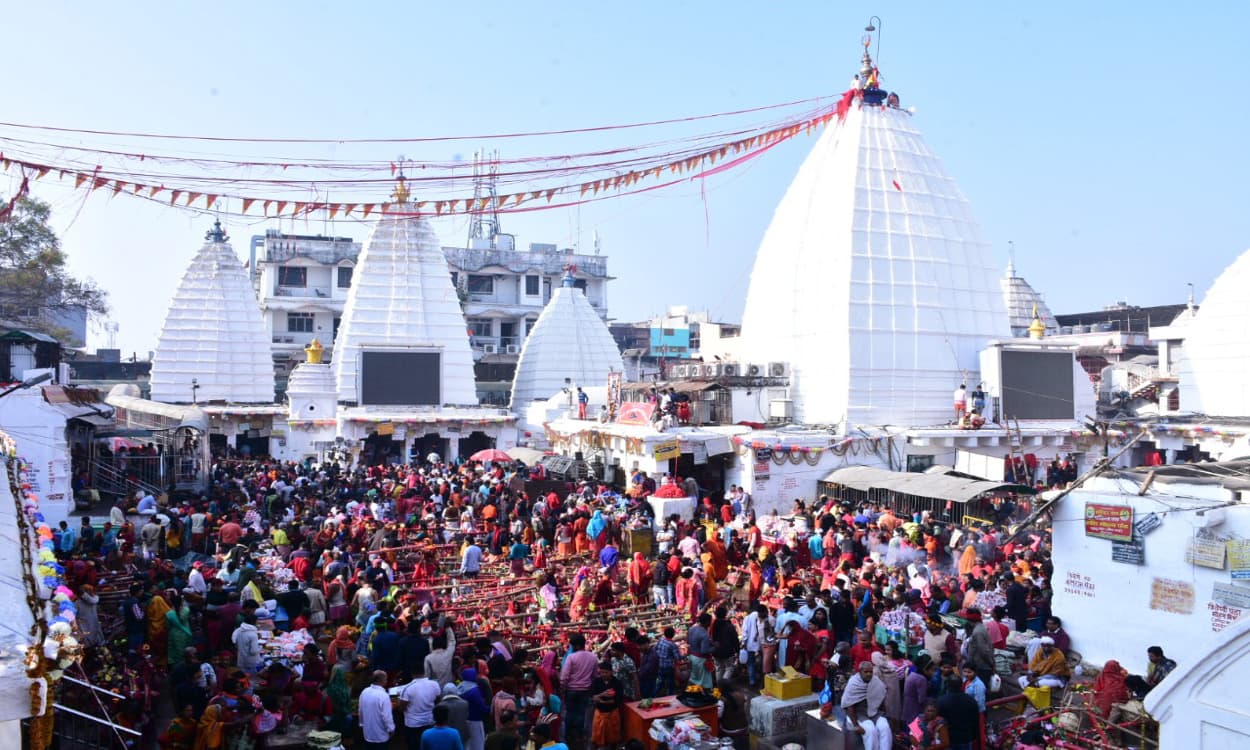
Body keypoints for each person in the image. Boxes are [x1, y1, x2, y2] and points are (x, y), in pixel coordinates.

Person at [560, 633, 598, 749]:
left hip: (571, 690)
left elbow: (564, 677)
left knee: (570, 713)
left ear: (575, 646)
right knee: (581, 714)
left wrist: (563, 688)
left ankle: (569, 736)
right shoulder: (592, 657)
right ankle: (579, 735)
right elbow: (595, 675)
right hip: (585, 690)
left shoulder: (571, 657)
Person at [841, 661, 891, 750]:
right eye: (866, 672)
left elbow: (881, 698)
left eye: (870, 672)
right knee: (871, 731)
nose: (869, 674)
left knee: (885, 727)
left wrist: (884, 715)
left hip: (875, 712)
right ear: (860, 672)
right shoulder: (853, 683)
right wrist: (856, 725)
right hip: (859, 714)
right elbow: (849, 705)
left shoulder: (875, 681)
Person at [400, 665, 443, 750]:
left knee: (414, 746)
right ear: (424, 672)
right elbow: (438, 700)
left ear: (412, 674)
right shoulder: (434, 684)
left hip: (413, 724)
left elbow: (402, 708)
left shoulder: (407, 688)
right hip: (429, 721)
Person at [936, 678, 979, 750]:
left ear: (948, 685)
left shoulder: (941, 701)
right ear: (961, 685)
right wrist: (974, 736)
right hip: (965, 737)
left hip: (948, 738)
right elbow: (975, 721)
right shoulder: (970, 700)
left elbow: (937, 722)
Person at [590, 660, 623, 750]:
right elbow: (593, 696)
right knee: (596, 738)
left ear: (611, 672)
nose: (603, 674)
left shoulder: (617, 683)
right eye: (602, 672)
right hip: (600, 713)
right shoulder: (596, 682)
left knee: (613, 738)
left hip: (612, 713)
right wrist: (602, 695)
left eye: (606, 672)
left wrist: (606, 702)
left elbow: (619, 699)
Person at [360, 670, 396, 750]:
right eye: (386, 679)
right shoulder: (384, 696)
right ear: (382, 681)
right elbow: (387, 717)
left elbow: (361, 710)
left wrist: (362, 724)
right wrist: (391, 729)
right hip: (380, 735)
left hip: (367, 733)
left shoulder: (364, 691)